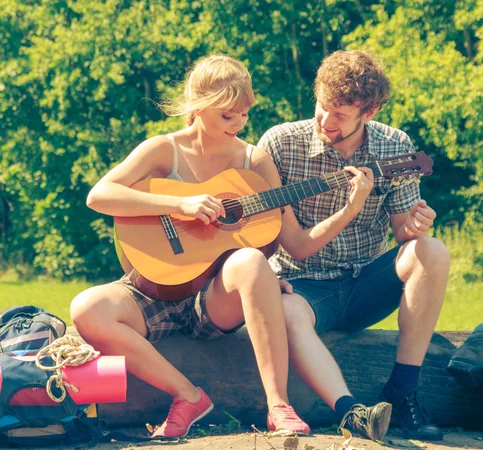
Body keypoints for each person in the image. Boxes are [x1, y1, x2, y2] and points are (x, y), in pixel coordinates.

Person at [70, 55, 317, 438]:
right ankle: (188, 395)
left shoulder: (256, 162)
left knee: (252, 262)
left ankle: (279, 405)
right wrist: (179, 203)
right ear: (198, 108)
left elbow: (287, 239)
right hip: (151, 288)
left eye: (244, 115)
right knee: (86, 308)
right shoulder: (163, 150)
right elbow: (99, 195)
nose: (239, 125)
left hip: (213, 300)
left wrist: (268, 281)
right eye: (227, 116)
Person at [257, 50, 450, 442]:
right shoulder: (279, 144)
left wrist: (415, 224)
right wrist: (350, 208)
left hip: (365, 281)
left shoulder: (395, 144)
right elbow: (294, 249)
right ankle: (352, 413)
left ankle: (403, 390)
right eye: (322, 107)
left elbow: (403, 233)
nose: (326, 121)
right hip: (303, 285)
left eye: (340, 115)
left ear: (371, 111)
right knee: (287, 310)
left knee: (432, 251)